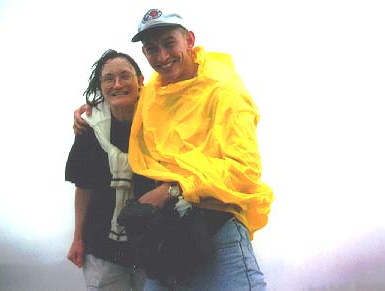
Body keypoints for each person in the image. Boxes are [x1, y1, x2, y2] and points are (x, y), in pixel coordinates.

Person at [73, 8, 274, 291]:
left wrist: (173, 189)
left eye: (169, 44)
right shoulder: (154, 92)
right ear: (144, 54)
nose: (163, 57)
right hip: (167, 234)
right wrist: (92, 111)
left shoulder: (224, 92)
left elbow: (244, 170)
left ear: (189, 40)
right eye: (153, 49)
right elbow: (122, 94)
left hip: (219, 227)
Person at [65, 49, 146, 291]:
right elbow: (84, 187)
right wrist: (77, 238)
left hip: (152, 245)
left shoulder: (159, 121)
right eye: (108, 79)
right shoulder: (89, 126)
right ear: (100, 86)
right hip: (102, 245)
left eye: (125, 76)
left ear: (140, 82)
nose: (117, 84)